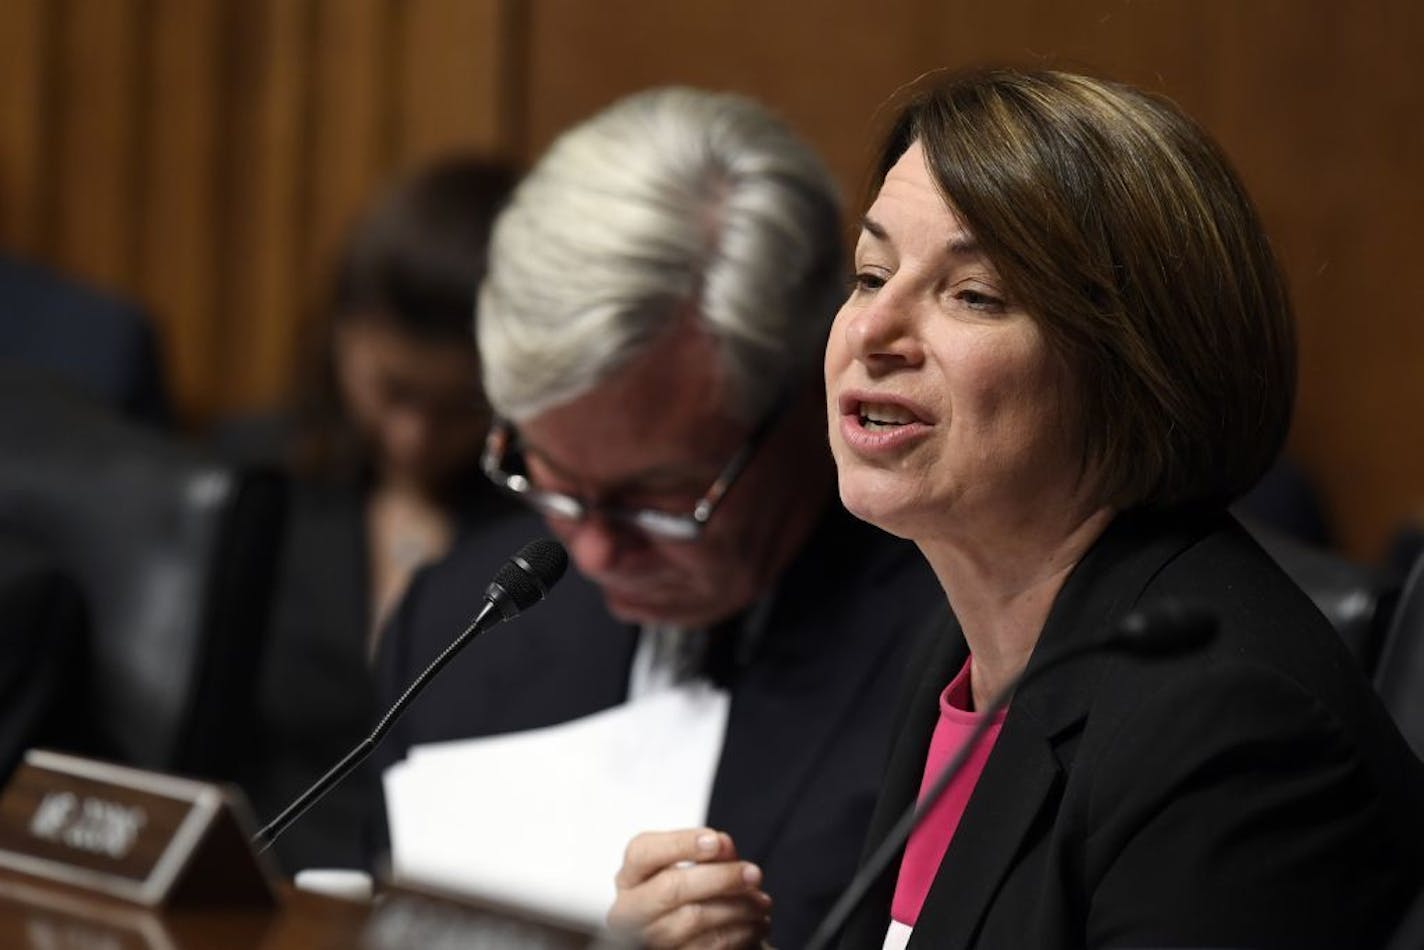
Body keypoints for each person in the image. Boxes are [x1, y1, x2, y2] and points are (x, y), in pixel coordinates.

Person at [807, 69, 1424, 948]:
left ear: (1135, 368)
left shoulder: (1230, 732)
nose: (873, 331)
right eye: (872, 275)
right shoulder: (966, 646)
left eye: (973, 295)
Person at [372, 87, 945, 948]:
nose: (596, 549)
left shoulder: (960, 656)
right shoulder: (456, 627)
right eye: (553, 478)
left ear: (801, 397)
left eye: (660, 496)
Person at [223, 156, 520, 874]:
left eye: (460, 407)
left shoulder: (553, 528)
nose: (413, 435)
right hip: (260, 895)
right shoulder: (252, 482)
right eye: (392, 389)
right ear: (341, 334)